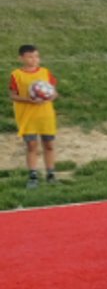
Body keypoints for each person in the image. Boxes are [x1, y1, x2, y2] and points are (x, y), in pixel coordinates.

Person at [9, 44, 59, 188]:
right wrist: (29, 100)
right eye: (30, 57)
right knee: (31, 145)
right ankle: (33, 176)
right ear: (21, 58)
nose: (34, 60)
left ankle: (51, 174)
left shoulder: (45, 72)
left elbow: (54, 92)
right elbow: (13, 95)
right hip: (27, 116)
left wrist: (50, 96)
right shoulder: (16, 74)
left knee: (49, 144)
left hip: (45, 115)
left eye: (36, 56)